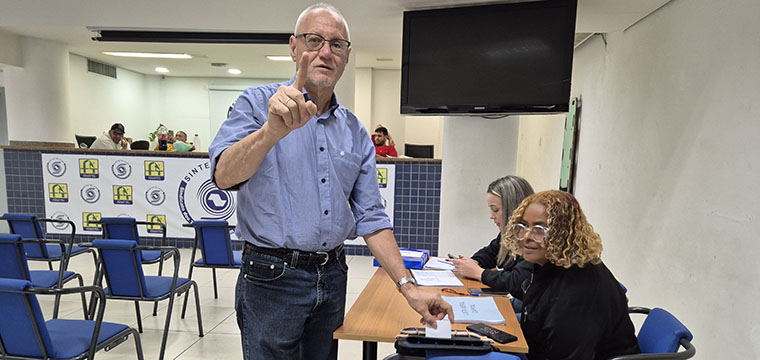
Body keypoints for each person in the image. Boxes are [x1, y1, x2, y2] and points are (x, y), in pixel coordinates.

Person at [208, 4, 453, 360]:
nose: (325, 51)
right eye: (314, 40)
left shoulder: (354, 131)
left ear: (347, 56)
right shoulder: (257, 104)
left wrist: (408, 287)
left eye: (336, 44)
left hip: (333, 275)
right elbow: (223, 176)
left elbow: (372, 218)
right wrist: (270, 133)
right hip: (272, 278)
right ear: (294, 48)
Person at [504, 190, 639, 359]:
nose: (526, 236)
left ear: (562, 233)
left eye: (539, 229)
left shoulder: (576, 291)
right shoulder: (553, 263)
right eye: (523, 225)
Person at [448, 176, 534, 301]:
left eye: (495, 210)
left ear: (514, 208)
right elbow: (491, 252)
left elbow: (518, 283)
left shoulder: (532, 239)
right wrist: (473, 262)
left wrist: (479, 273)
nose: (491, 216)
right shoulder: (510, 233)